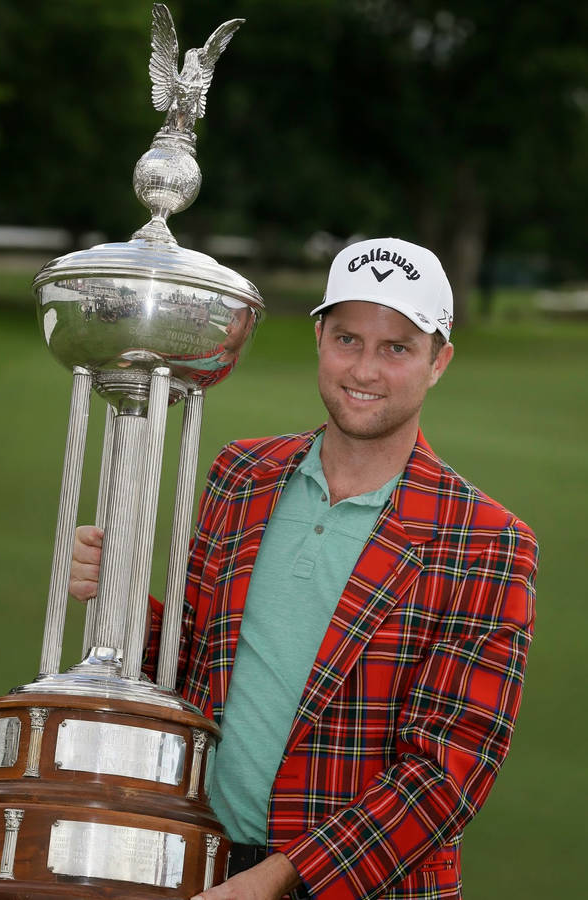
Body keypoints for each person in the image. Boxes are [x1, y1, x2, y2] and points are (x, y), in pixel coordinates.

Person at [70, 237, 538, 900]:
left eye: (396, 348)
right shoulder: (242, 475)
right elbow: (194, 663)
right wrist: (116, 593)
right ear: (319, 337)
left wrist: (276, 880)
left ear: (439, 362)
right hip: (197, 859)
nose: (365, 370)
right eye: (348, 339)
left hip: (351, 886)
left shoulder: (486, 542)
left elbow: (447, 773)